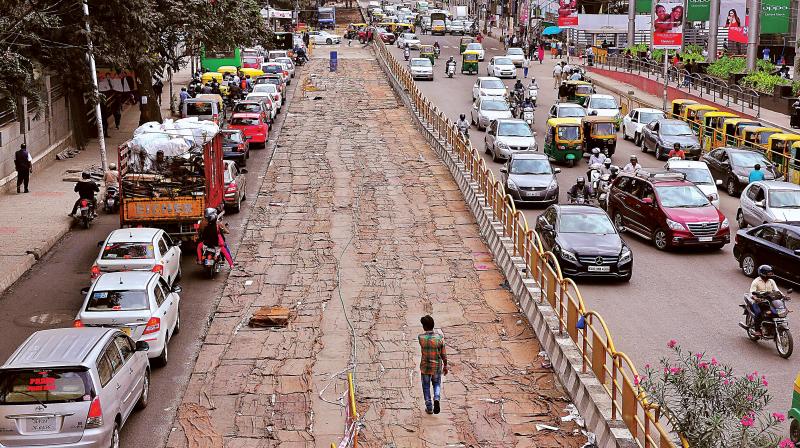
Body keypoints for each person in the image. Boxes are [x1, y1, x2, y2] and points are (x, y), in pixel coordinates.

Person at [418, 314, 448, 415]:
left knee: (426, 386)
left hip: (425, 366)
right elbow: (443, 353)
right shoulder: (439, 338)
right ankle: (436, 398)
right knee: (436, 384)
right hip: (436, 366)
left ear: (424, 327)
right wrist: (446, 365)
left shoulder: (421, 338)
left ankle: (429, 407)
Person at [749, 265, 782, 336]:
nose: (770, 274)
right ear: (763, 273)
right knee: (758, 313)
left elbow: (777, 290)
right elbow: (752, 293)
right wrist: (756, 298)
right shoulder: (756, 281)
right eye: (769, 273)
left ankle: (771, 327)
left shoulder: (771, 281)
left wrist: (784, 296)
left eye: (771, 273)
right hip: (758, 302)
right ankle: (757, 330)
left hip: (769, 301)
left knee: (776, 311)